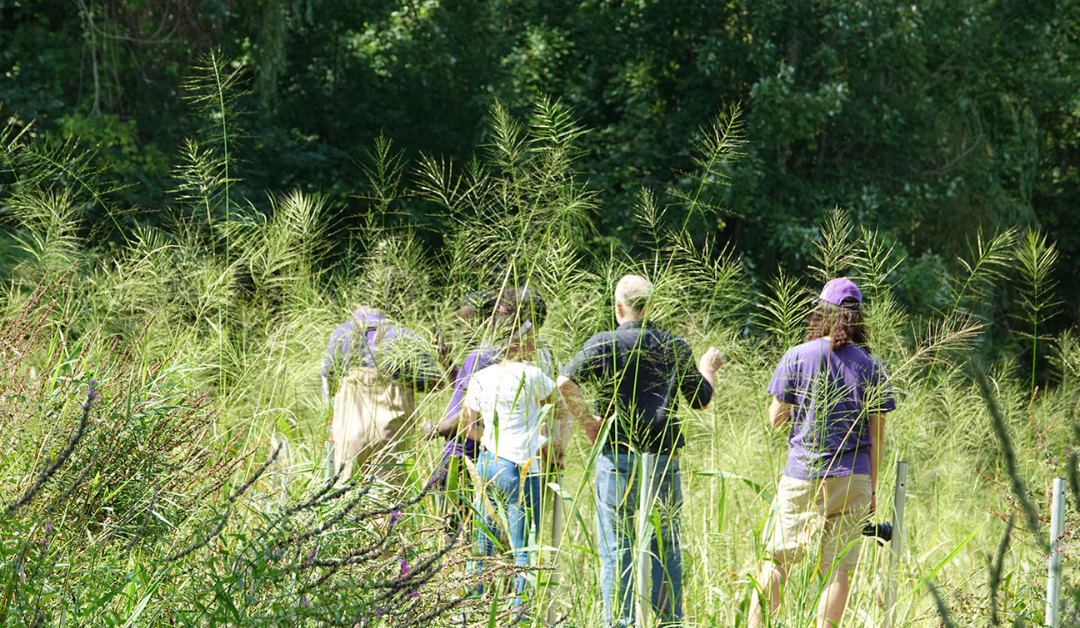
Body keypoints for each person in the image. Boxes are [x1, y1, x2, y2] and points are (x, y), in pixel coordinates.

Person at [557, 275, 724, 627]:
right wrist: (708, 369)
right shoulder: (672, 345)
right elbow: (700, 400)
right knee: (666, 549)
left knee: (617, 549)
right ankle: (669, 622)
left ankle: (618, 623)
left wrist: (589, 422)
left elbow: (564, 381)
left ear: (619, 307)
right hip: (662, 460)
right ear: (650, 306)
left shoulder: (604, 342)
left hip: (616, 458)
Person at [748, 277, 896, 628]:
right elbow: (877, 435)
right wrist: (872, 490)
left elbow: (776, 418)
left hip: (803, 472)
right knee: (839, 568)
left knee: (777, 560)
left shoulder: (797, 356)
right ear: (858, 318)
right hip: (854, 476)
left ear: (820, 313)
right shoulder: (872, 366)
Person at [460, 288, 566, 614]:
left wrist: (490, 442)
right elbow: (559, 412)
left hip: (489, 467)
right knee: (524, 550)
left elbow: (469, 427)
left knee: (482, 547)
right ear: (519, 343)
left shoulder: (480, 377)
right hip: (524, 469)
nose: (534, 346)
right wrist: (553, 451)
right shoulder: (535, 376)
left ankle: (470, 612)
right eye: (530, 340)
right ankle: (520, 616)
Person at [322, 305, 442, 481]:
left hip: (350, 431)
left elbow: (330, 384)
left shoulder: (342, 333)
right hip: (392, 433)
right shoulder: (402, 336)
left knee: (347, 494)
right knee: (390, 496)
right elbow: (435, 384)